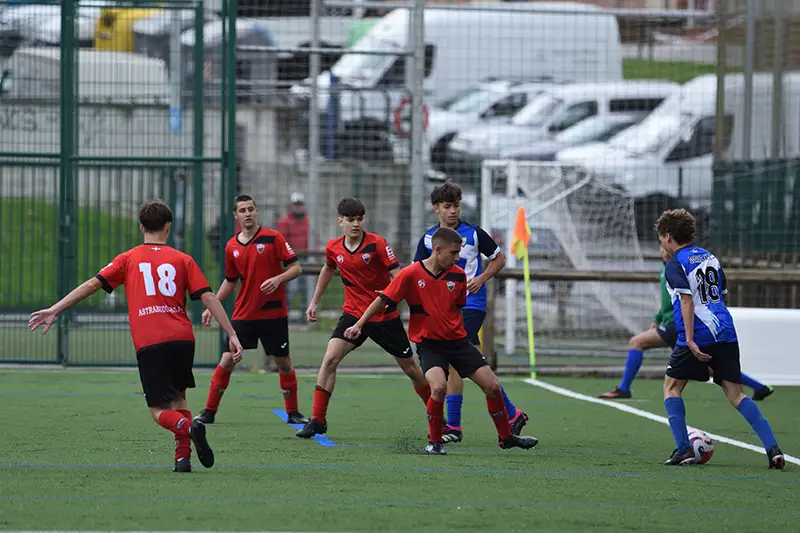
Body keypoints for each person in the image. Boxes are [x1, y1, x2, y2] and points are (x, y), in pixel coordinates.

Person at [28, 200, 243, 473]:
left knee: (158, 410)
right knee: (179, 398)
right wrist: (232, 333)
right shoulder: (183, 259)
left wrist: (55, 309)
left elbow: (93, 284)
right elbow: (209, 296)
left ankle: (189, 428)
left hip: (151, 340)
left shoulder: (127, 259)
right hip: (182, 338)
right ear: (168, 226)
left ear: (141, 227)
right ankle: (182, 458)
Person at [346, 227, 538, 455]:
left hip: (458, 343)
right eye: (454, 253)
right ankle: (434, 443)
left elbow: (456, 309)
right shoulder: (410, 274)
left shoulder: (457, 276)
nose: (458, 258)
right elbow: (383, 299)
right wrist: (358, 324)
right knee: (438, 388)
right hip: (430, 345)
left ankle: (507, 437)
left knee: (493, 386)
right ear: (437, 250)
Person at [655, 209, 785, 468]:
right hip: (726, 331)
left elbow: (687, 300)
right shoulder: (710, 258)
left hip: (698, 333)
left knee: (672, 387)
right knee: (736, 394)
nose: (660, 243)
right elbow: (721, 296)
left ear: (668, 237)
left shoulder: (675, 264)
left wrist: (690, 340)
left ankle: (683, 449)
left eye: (660, 238)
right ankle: (774, 450)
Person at [296, 198, 431, 438]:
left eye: (359, 219)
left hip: (384, 316)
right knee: (329, 359)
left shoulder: (377, 244)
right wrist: (314, 301)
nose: (356, 224)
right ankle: (317, 419)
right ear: (340, 221)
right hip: (353, 314)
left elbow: (397, 274)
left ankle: (435, 415)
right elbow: (328, 268)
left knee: (412, 370)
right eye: (350, 220)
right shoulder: (334, 248)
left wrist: (393, 294)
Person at [414, 180, 527, 443]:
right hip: (443, 310)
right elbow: (418, 272)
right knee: (472, 362)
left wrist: (482, 278)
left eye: (456, 206)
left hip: (471, 305)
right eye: (447, 206)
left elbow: (499, 259)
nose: (453, 211)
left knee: (457, 362)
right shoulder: (429, 239)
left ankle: (455, 425)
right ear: (436, 209)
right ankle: (511, 414)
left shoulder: (475, 234)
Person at [601, 247, 775, 401]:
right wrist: (658, 317)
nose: (661, 249)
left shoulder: (675, 268)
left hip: (677, 325)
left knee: (637, 342)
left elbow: (679, 301)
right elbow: (667, 303)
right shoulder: (667, 268)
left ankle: (624, 389)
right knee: (712, 369)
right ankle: (759, 386)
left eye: (663, 245)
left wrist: (662, 317)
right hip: (673, 323)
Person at [195, 195, 308, 425]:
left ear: (256, 212)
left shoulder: (274, 238)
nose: (247, 214)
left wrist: (278, 279)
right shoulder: (231, 246)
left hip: (273, 314)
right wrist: (212, 304)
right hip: (244, 314)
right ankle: (209, 411)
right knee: (227, 360)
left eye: (250, 209)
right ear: (236, 216)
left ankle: (293, 411)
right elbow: (230, 280)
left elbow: (296, 268)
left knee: (283, 363)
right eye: (242, 210)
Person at [277, 192, 310, 322]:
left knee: (305, 289)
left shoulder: (308, 221)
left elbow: (314, 238)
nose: (298, 207)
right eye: (296, 204)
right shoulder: (285, 222)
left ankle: (305, 316)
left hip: (307, 258)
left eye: (300, 204)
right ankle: (285, 314)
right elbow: (282, 242)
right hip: (291, 260)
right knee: (291, 289)